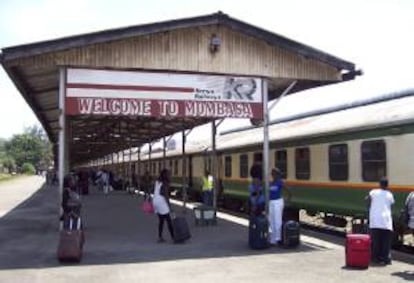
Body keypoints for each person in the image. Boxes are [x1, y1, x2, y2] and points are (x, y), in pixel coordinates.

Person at [366, 177, 394, 265]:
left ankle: (375, 258)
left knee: (375, 241)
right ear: (387, 185)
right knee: (386, 242)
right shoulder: (389, 194)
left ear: (380, 184)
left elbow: (367, 199)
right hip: (386, 221)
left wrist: (370, 208)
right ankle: (385, 259)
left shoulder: (373, 192)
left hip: (375, 220)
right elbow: (391, 204)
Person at [268, 167, 291, 245]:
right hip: (271, 202)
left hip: (278, 202)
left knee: (277, 220)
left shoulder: (280, 182)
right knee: (271, 220)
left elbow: (288, 191)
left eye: (274, 173)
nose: (272, 175)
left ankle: (278, 239)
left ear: (277, 174)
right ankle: (272, 239)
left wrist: (287, 200)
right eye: (272, 174)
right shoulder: (271, 183)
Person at [152, 169, 174, 243]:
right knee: (169, 220)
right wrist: (169, 206)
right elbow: (165, 195)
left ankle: (160, 237)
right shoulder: (165, 183)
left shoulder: (157, 181)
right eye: (168, 174)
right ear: (166, 175)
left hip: (155, 201)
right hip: (161, 202)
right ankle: (174, 237)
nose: (170, 175)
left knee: (161, 220)